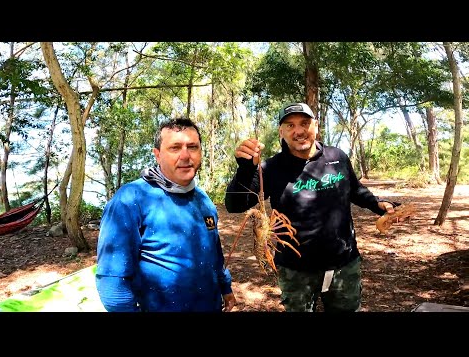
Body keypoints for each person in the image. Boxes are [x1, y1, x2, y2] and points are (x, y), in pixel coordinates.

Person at [225, 102, 396, 312]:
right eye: (290, 125)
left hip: (344, 264)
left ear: (316, 125)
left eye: (305, 123)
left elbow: (355, 190)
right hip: (296, 271)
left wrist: (378, 204)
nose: (298, 131)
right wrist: (244, 169)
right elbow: (235, 205)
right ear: (281, 131)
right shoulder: (270, 168)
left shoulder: (337, 157)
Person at [96, 117, 236, 312]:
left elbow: (214, 254)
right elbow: (112, 283)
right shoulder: (130, 198)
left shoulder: (203, 200)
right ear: (157, 155)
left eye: (193, 147)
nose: (186, 156)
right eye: (175, 148)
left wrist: (225, 287)